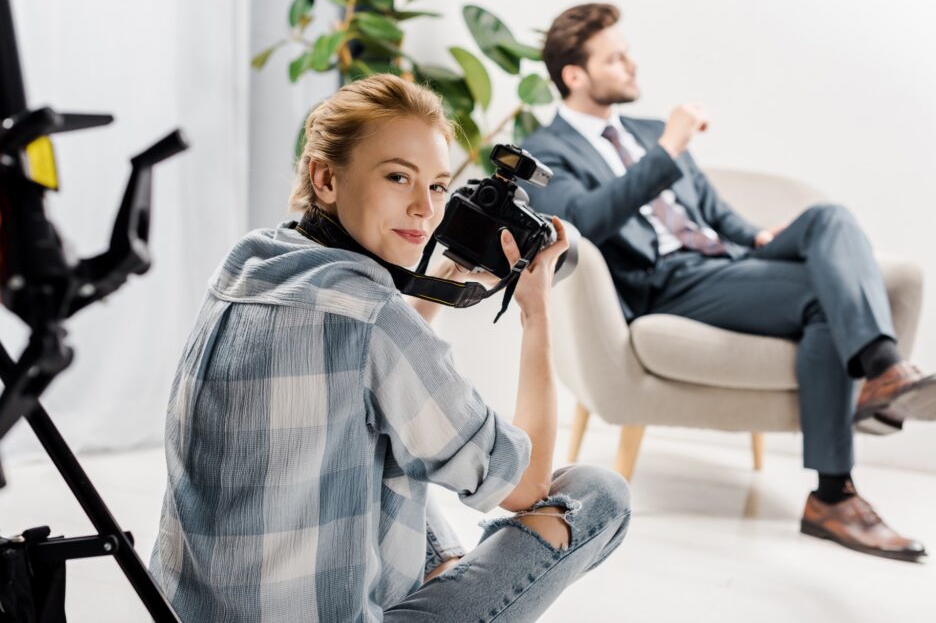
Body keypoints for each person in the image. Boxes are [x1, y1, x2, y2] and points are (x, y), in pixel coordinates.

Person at [150, 74, 631, 621]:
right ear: (325, 178)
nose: (425, 210)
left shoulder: (250, 263)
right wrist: (535, 310)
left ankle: (444, 577)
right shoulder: (375, 319)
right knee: (599, 492)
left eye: (438, 186)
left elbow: (362, 355)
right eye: (399, 177)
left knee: (387, 439)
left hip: (188, 613)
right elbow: (527, 485)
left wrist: (448, 277)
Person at [520, 3, 936, 562]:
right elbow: (586, 219)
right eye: (616, 57)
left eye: (628, 52)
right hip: (667, 282)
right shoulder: (546, 150)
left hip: (725, 259)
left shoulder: (649, 130)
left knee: (830, 219)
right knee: (822, 304)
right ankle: (838, 488)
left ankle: (882, 371)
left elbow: (709, 210)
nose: (632, 64)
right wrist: (666, 152)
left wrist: (753, 236)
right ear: (574, 75)